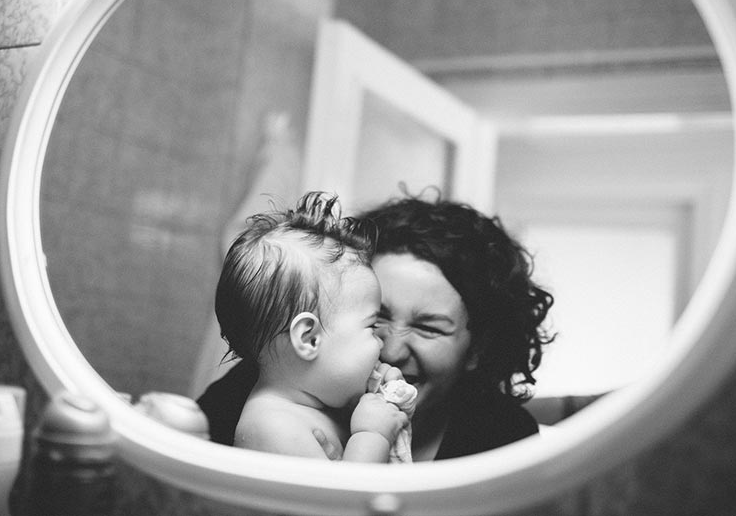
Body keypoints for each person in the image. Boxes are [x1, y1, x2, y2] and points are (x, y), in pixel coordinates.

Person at [199, 191, 553, 460]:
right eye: (377, 317)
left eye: (428, 328)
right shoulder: (260, 392)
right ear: (308, 336)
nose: (392, 349)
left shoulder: (503, 440)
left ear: (478, 349)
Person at [214, 191, 409, 461]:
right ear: (309, 338)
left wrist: (384, 403)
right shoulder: (272, 426)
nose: (382, 342)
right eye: (372, 326)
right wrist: (372, 434)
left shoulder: (318, 406)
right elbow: (345, 502)